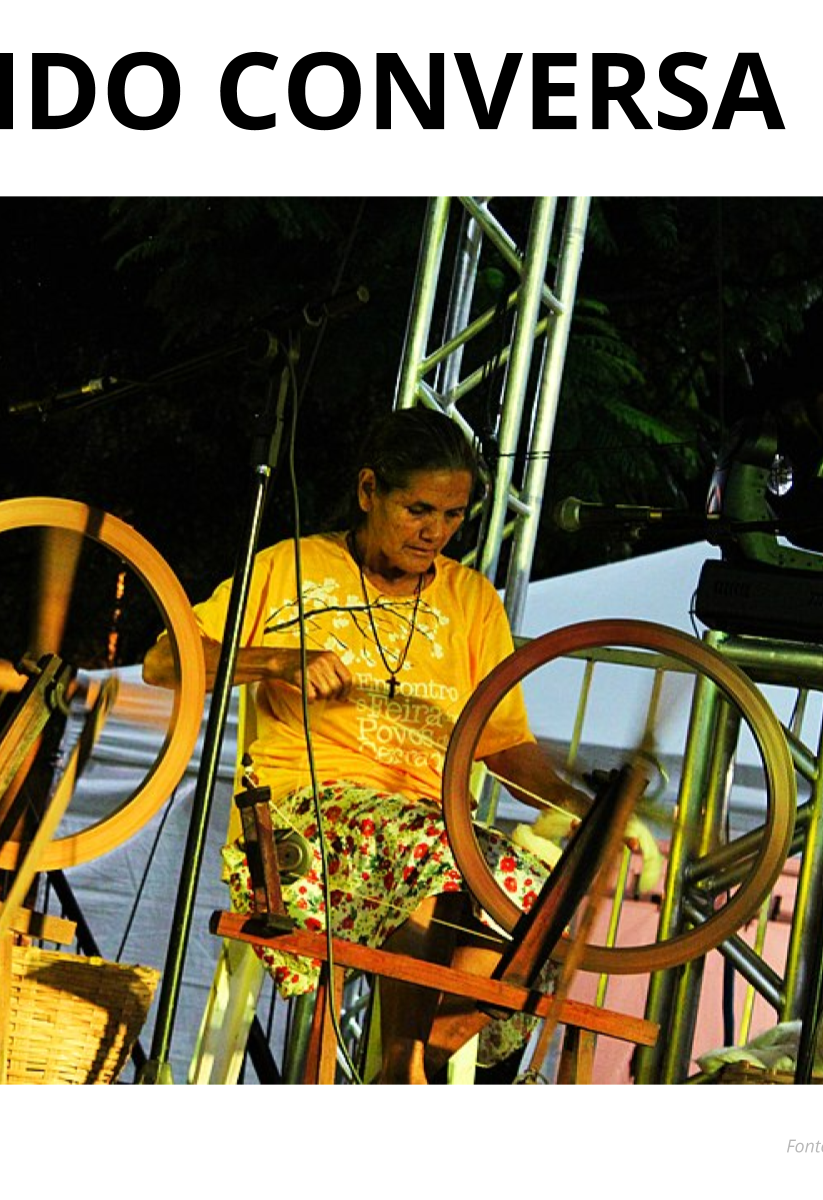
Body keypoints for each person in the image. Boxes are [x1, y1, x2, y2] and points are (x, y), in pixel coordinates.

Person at [142, 407, 590, 1083]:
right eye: (418, 510)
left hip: (430, 830)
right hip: (303, 824)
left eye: (453, 515)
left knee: (531, 895)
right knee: (437, 852)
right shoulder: (290, 567)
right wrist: (276, 660)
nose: (435, 532)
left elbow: (502, 743)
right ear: (368, 490)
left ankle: (417, 1063)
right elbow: (163, 662)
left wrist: (576, 800)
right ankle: (404, 1070)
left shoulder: (473, 600)